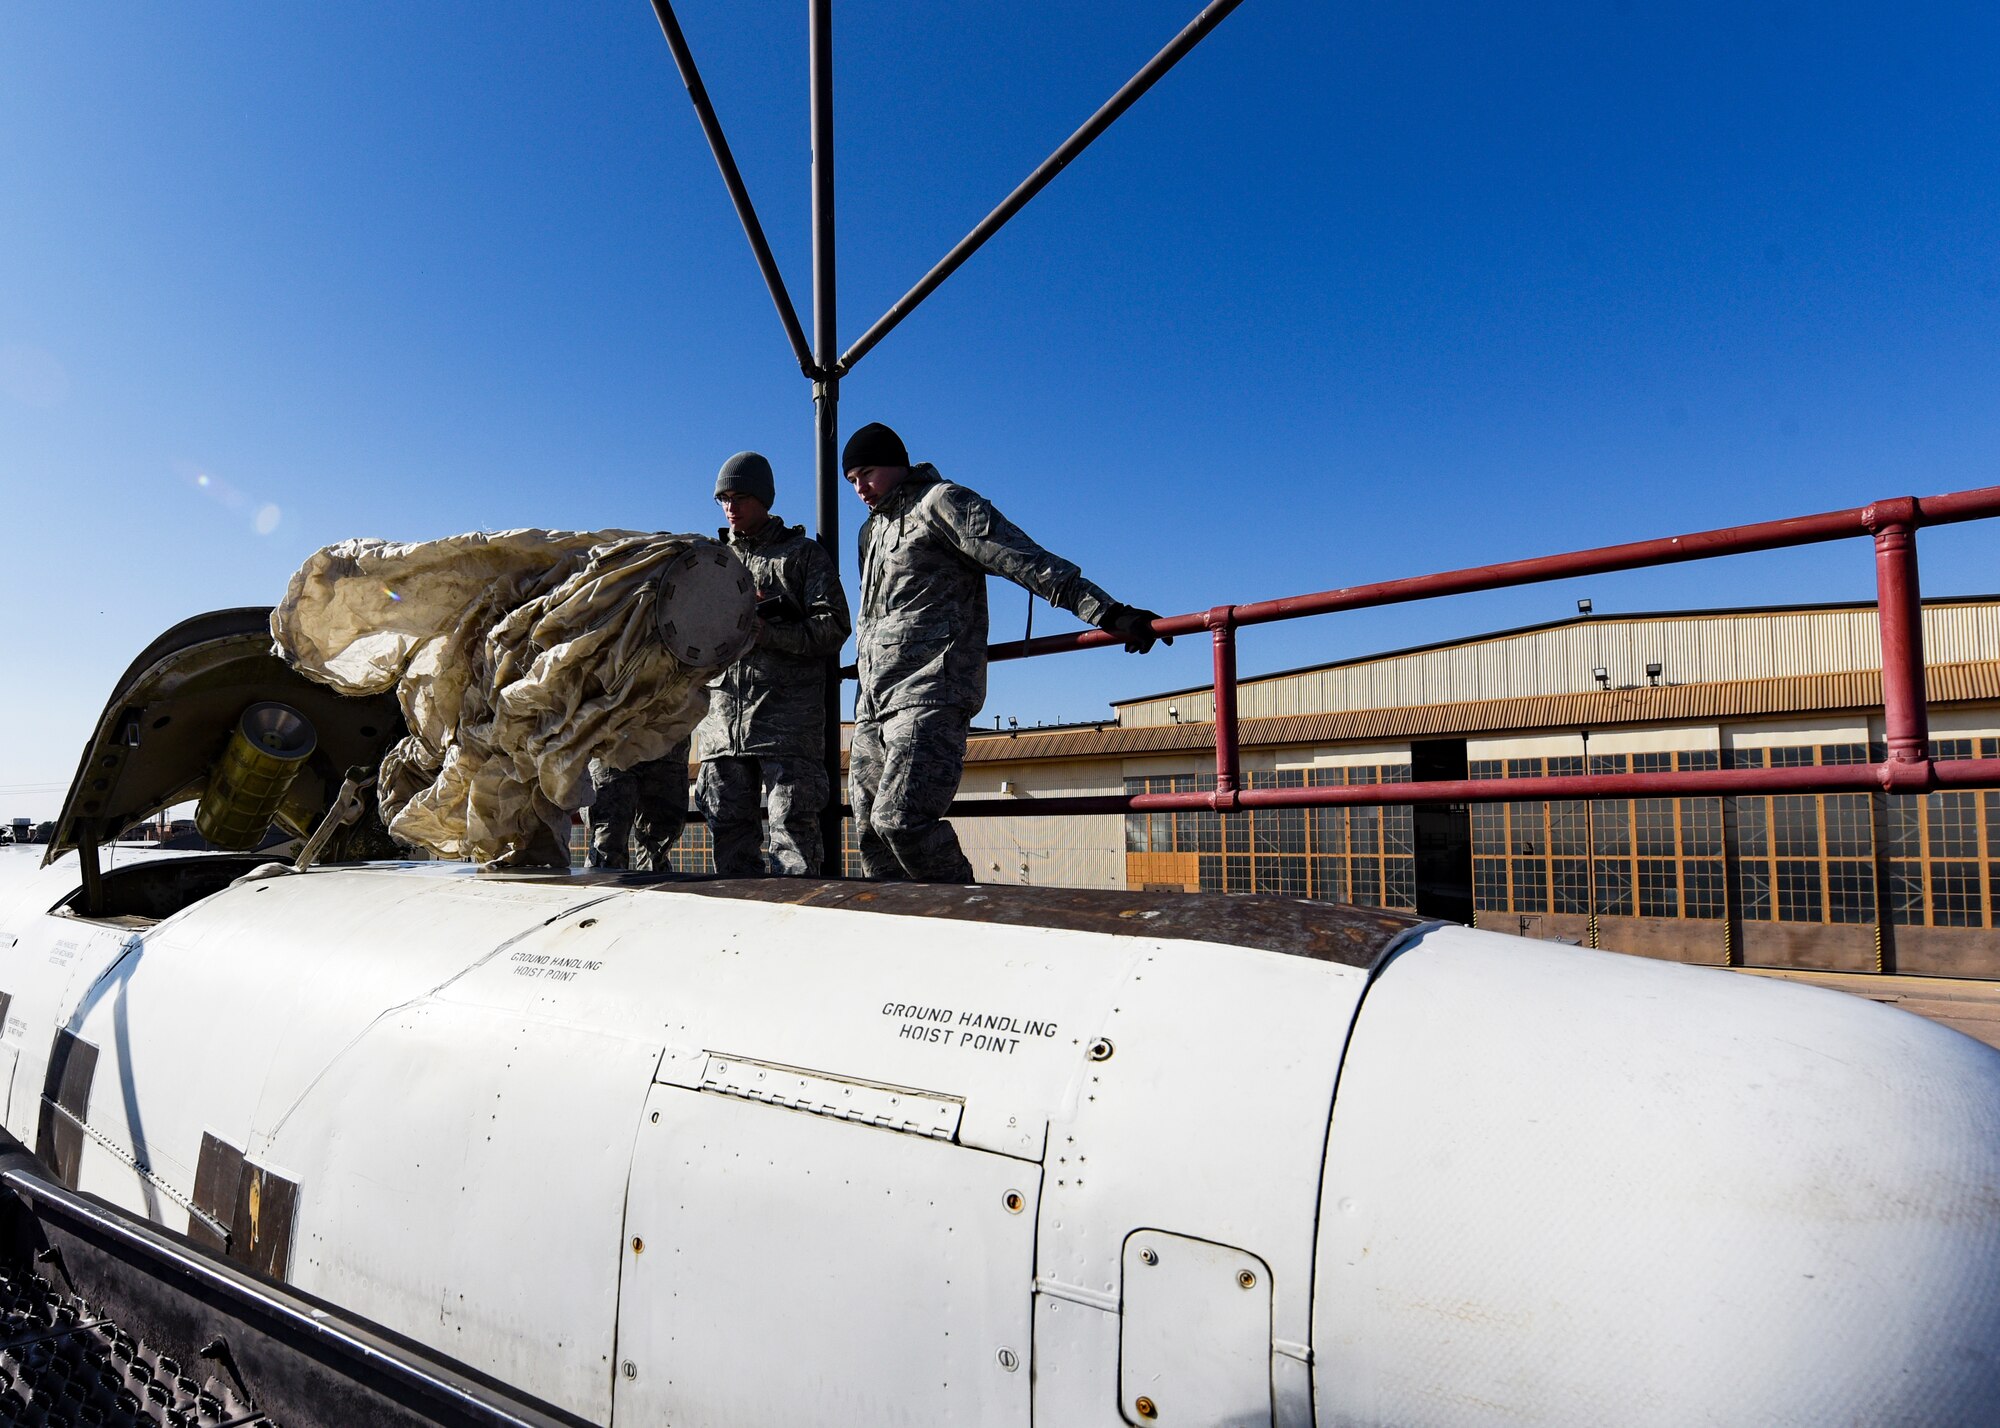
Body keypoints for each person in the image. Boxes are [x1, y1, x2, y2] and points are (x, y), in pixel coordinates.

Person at [843, 421, 1166, 883]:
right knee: (871, 835)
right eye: (852, 480)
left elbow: (1023, 558)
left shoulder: (943, 503)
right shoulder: (870, 532)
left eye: (868, 473)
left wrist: (1108, 611)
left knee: (902, 820)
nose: (860, 488)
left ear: (898, 465)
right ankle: (897, 923)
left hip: (929, 691)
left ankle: (966, 912)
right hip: (873, 704)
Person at [695, 451, 853, 875]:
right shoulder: (711, 560)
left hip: (786, 728)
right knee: (729, 846)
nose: (730, 507)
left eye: (740, 497)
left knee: (794, 846)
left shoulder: (801, 555)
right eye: (723, 499)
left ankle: (798, 918)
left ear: (763, 499)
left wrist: (769, 633)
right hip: (722, 731)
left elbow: (834, 627)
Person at [586, 738, 690, 871]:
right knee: (606, 843)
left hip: (666, 745)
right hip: (614, 745)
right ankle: (601, 884)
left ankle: (654, 884)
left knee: (658, 845)